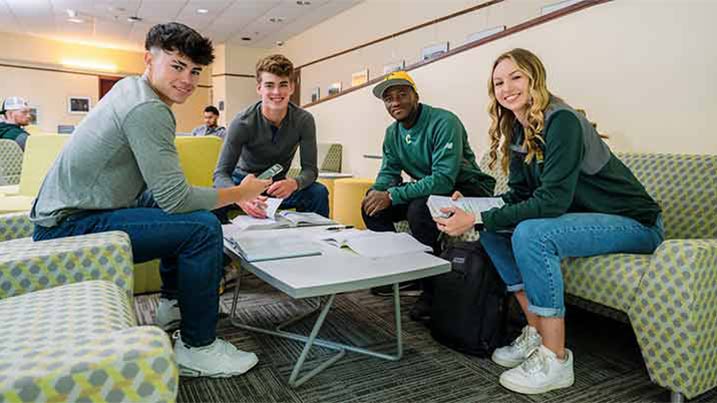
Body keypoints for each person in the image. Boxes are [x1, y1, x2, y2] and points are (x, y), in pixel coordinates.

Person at [30, 22, 271, 378]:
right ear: (149, 59)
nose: (187, 80)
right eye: (176, 66)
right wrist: (241, 193)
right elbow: (177, 198)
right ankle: (197, 348)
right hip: (68, 228)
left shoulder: (130, 88)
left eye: (194, 71)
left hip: (68, 215)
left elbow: (165, 193)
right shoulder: (148, 109)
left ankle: (173, 305)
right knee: (202, 228)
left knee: (176, 208)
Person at [434, 48, 663, 394]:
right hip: (589, 220)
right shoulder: (518, 129)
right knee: (494, 230)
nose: (507, 88)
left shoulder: (562, 121)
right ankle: (536, 331)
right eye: (498, 82)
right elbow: (518, 195)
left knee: (531, 234)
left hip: (634, 224)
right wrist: (471, 208)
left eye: (516, 77)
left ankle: (555, 358)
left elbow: (552, 201)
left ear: (534, 79)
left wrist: (478, 215)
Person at [362, 70, 496, 321]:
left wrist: (392, 194)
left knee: (420, 209)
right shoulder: (393, 134)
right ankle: (402, 273)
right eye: (389, 98)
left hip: (467, 189)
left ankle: (431, 288)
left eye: (402, 94)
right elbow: (388, 172)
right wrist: (377, 191)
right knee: (372, 206)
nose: (395, 102)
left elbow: (444, 179)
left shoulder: (444, 121)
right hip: (431, 191)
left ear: (416, 96)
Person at [213, 54, 329, 218]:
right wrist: (239, 196)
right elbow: (221, 174)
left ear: (292, 87)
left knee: (318, 192)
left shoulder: (304, 120)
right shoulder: (241, 122)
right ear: (259, 88)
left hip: (278, 186)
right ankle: (223, 243)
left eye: (283, 85)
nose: (277, 92)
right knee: (214, 199)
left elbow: (310, 170)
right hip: (243, 183)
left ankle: (317, 239)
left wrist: (294, 183)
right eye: (269, 85)